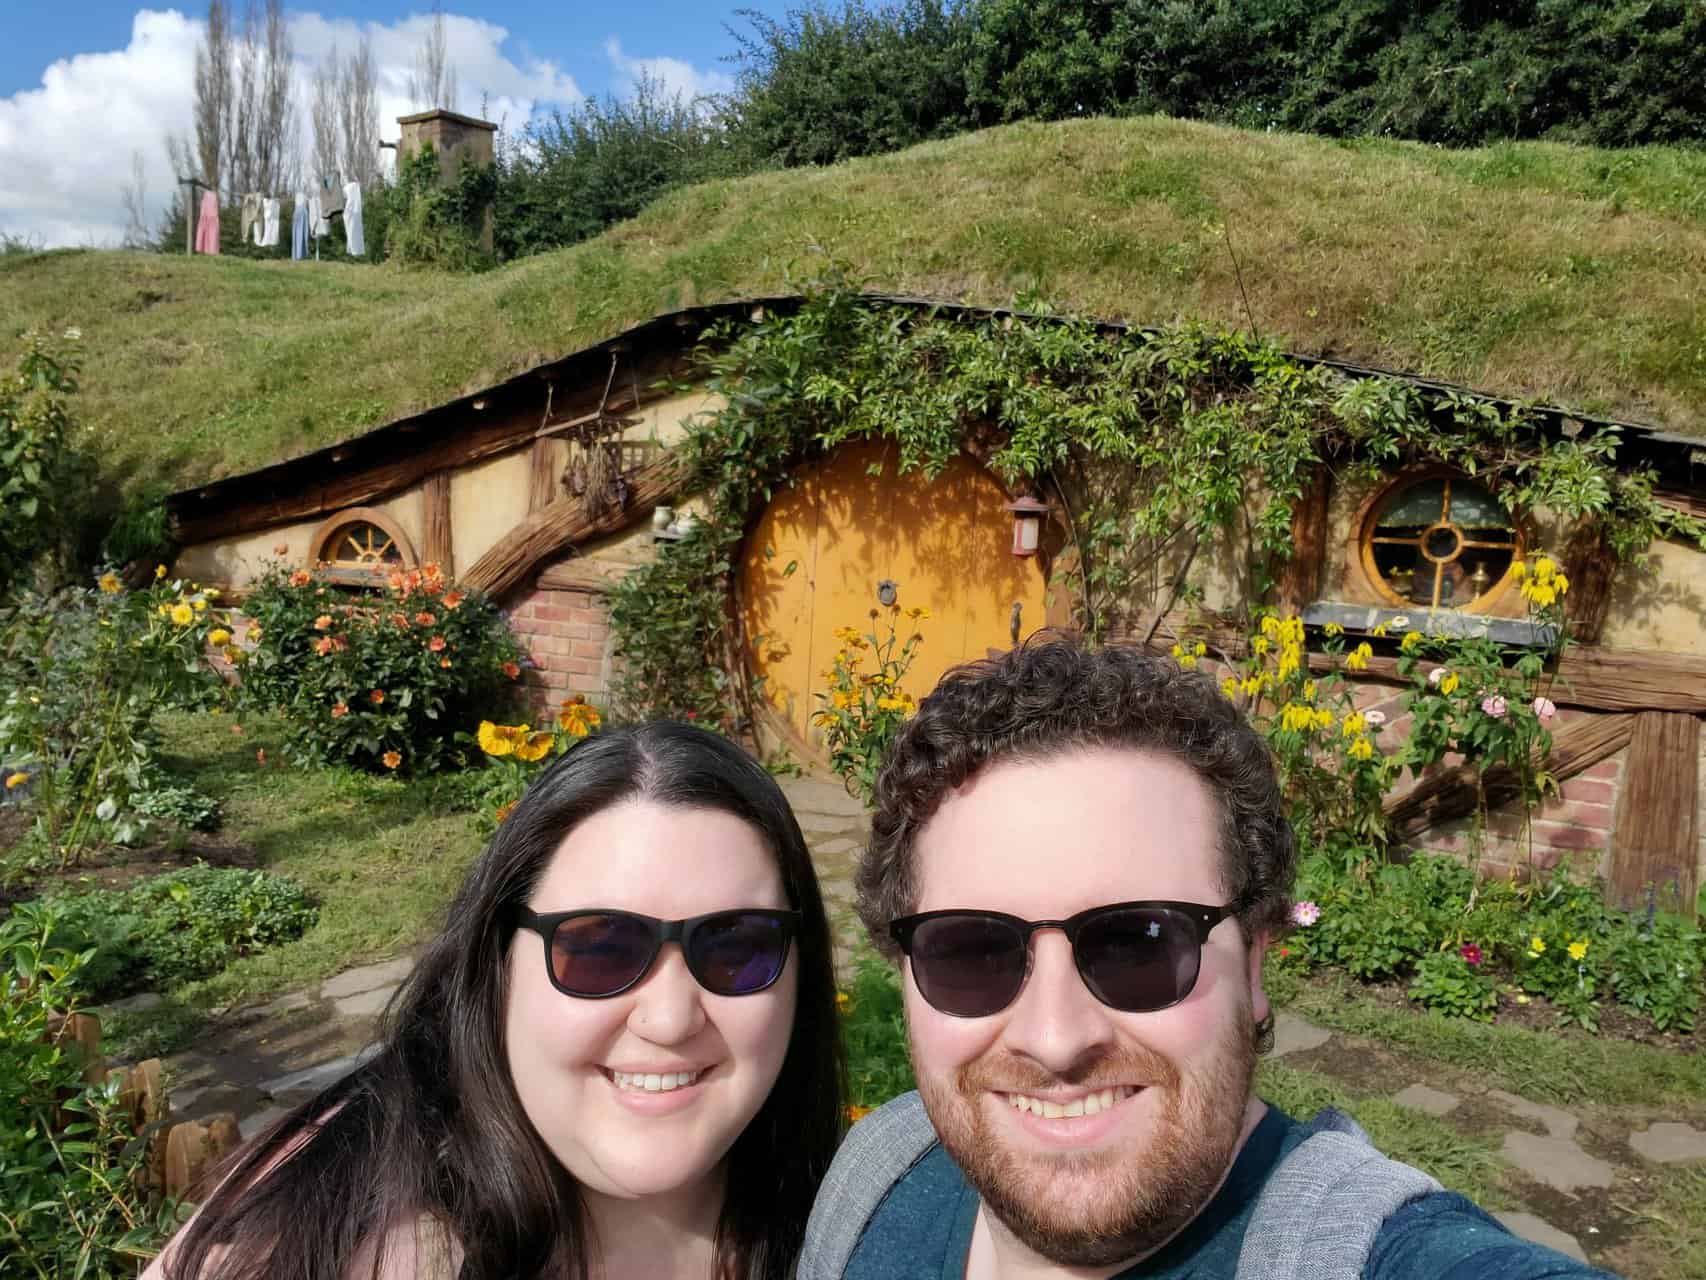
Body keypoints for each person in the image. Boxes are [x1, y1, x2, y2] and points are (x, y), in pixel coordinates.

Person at [801, 638, 1614, 1280]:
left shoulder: (1364, 1253)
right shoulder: (878, 1174)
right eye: (972, 950)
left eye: (1139, 943)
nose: (1054, 1038)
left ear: (1257, 966)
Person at [149, 721, 845, 1280]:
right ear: (498, 963)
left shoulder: (855, 1220)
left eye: (736, 945)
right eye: (600, 946)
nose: (669, 1019)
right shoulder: (327, 1230)